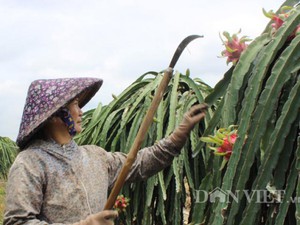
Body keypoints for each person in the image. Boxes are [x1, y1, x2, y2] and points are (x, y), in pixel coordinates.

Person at [4, 77, 207, 225]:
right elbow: (17, 222)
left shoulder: (95, 156)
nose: (81, 111)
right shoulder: (30, 163)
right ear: (54, 116)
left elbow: (140, 163)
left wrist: (180, 133)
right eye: (75, 105)